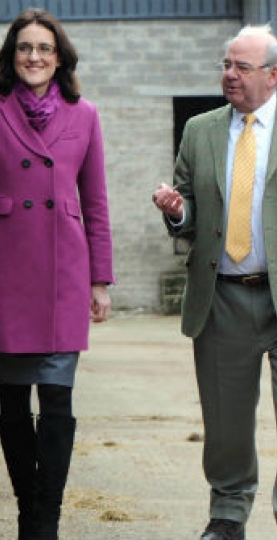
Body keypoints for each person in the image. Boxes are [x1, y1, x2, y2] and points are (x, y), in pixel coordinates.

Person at [0, 8, 114, 540]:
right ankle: (27, 509)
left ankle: (47, 522)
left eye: (45, 48)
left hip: (65, 273)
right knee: (14, 400)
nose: (35, 57)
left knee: (60, 397)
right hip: (4, 275)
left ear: (60, 58)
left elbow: (95, 202)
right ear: (10, 55)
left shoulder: (84, 115)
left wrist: (100, 280)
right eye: (25, 47)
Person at [152, 24, 277, 540]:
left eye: (241, 67)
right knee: (225, 421)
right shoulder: (200, 131)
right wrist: (179, 213)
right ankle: (227, 516)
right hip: (224, 294)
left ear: (272, 76)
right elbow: (190, 207)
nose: (228, 75)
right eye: (225, 65)